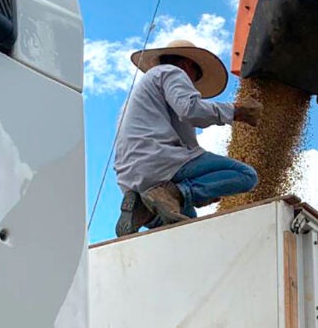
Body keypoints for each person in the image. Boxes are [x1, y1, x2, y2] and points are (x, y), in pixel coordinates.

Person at [113, 39, 263, 237]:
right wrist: (235, 111)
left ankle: (148, 213)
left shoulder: (138, 98)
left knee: (188, 226)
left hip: (131, 177)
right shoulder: (172, 72)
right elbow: (191, 110)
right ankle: (173, 193)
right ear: (187, 65)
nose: (192, 84)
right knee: (246, 176)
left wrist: (209, 185)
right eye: (196, 76)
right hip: (158, 161)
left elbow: (189, 145)